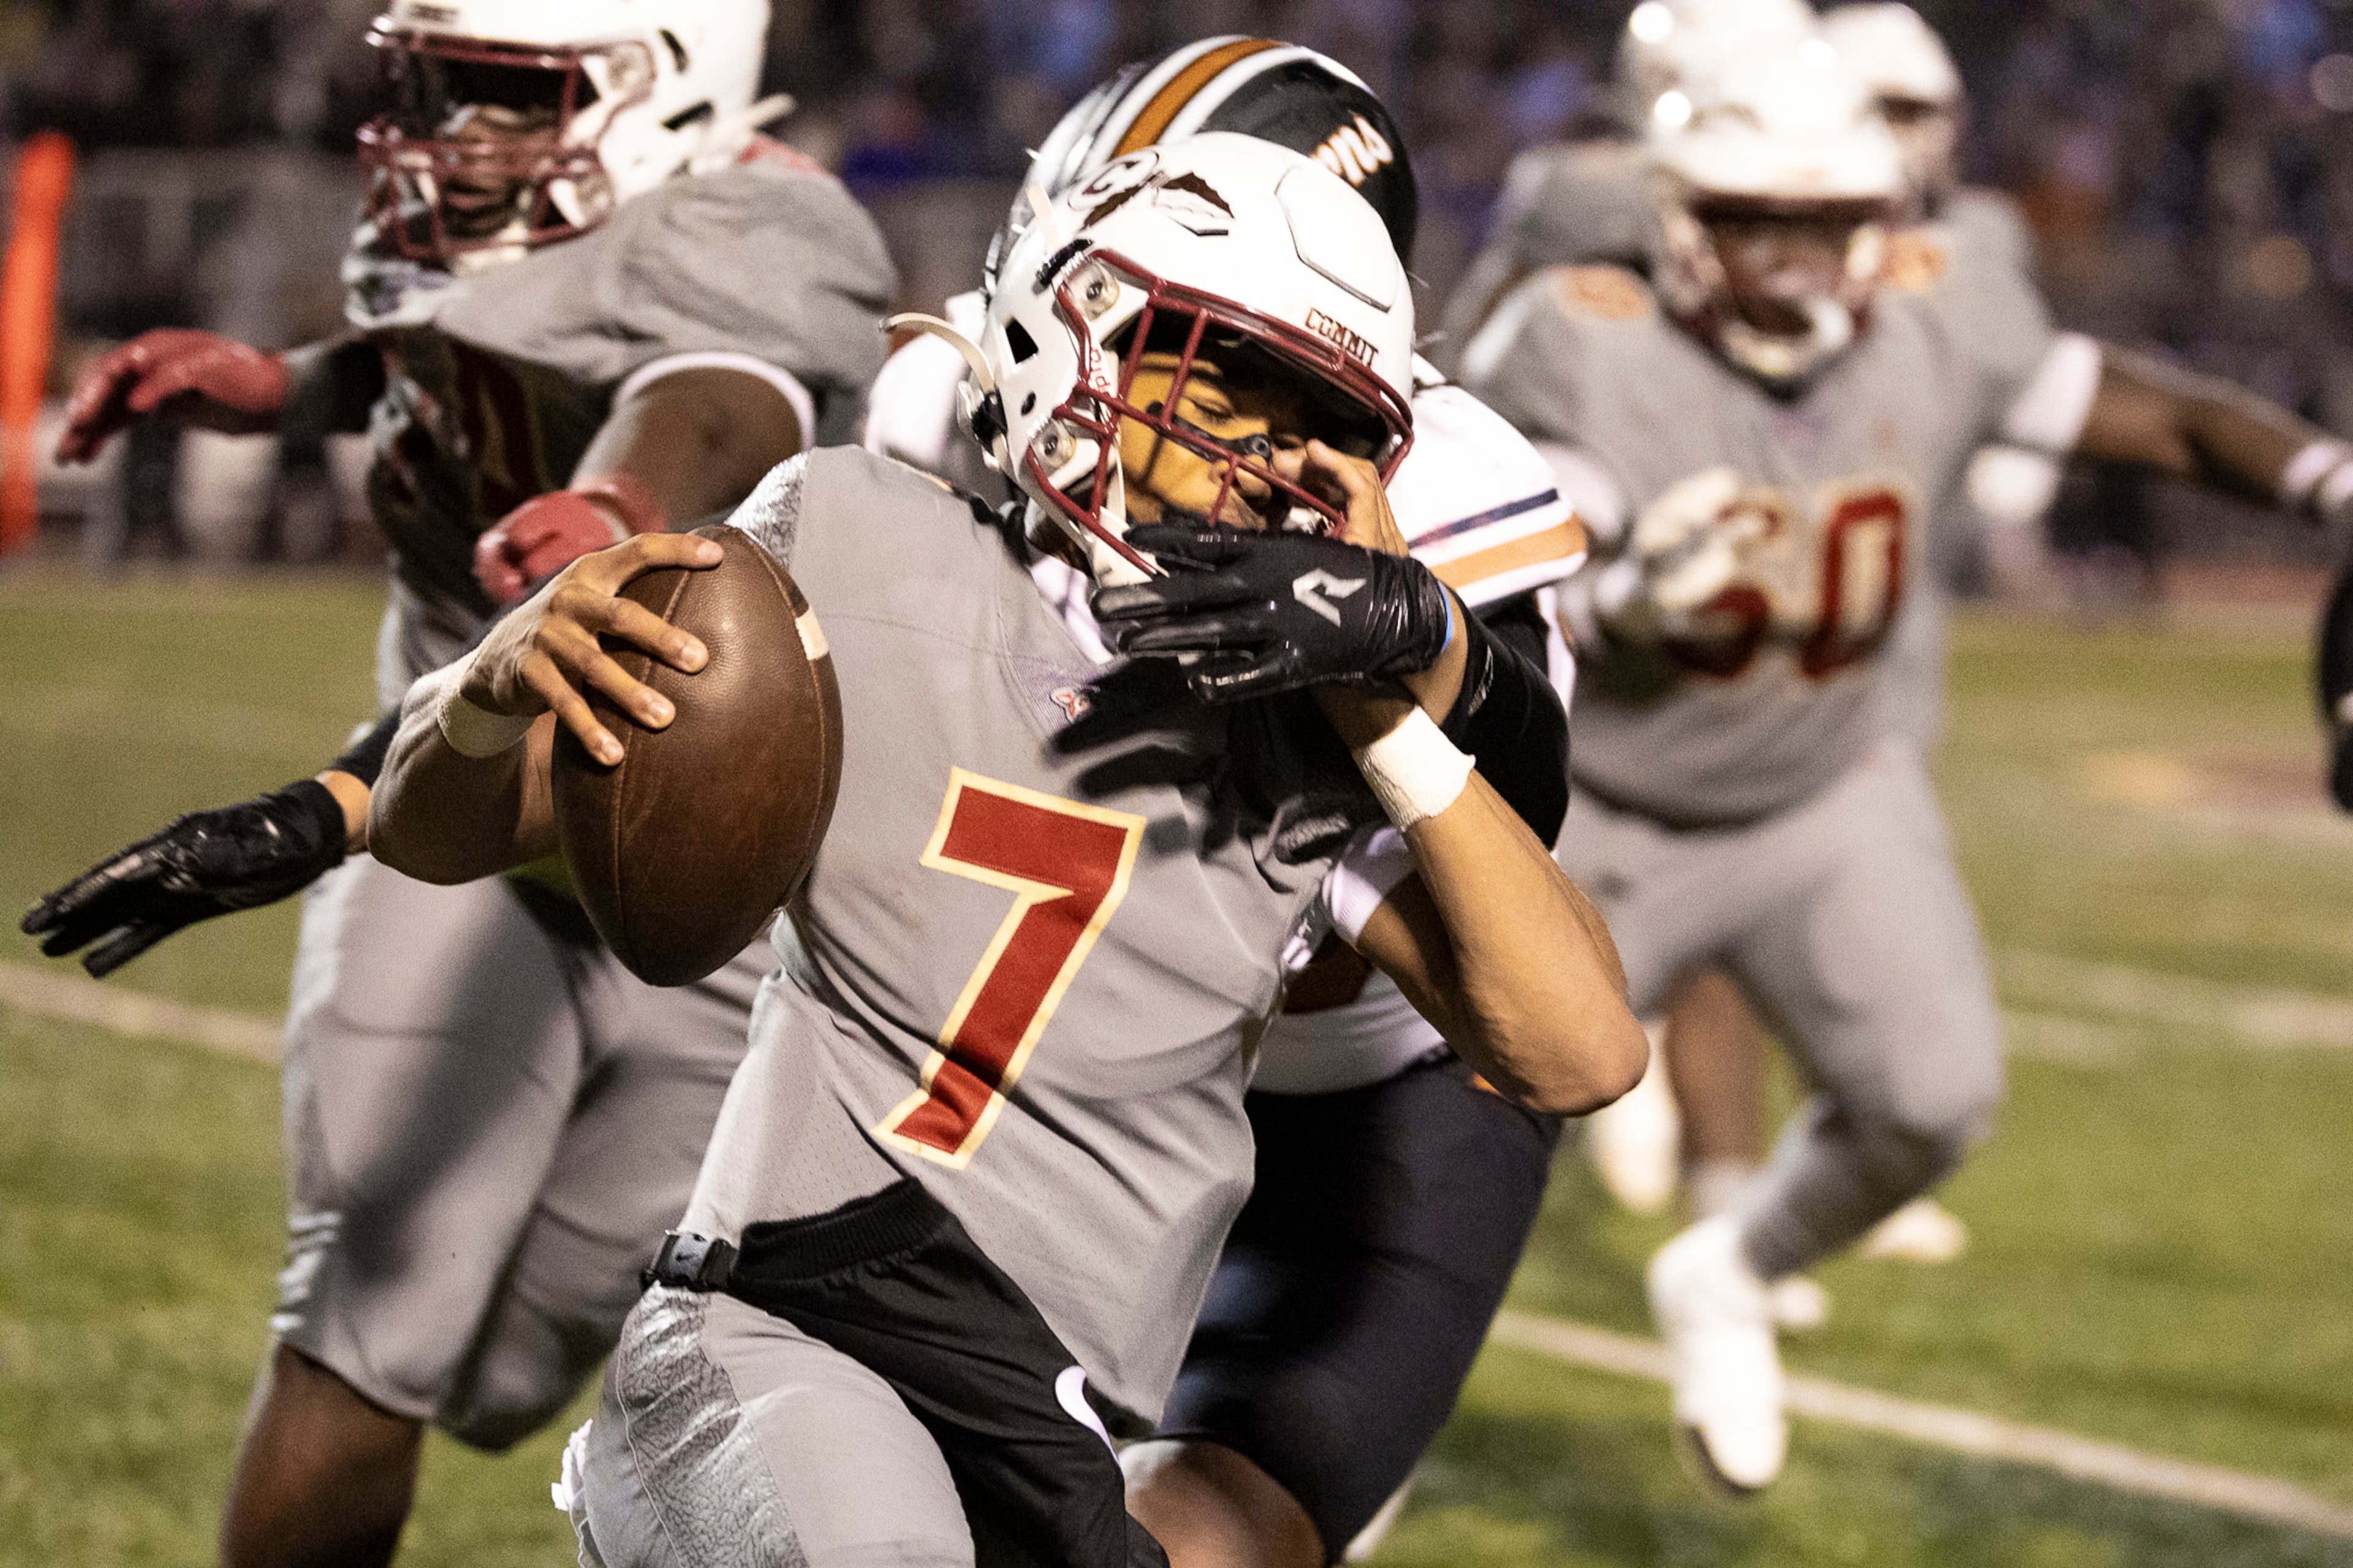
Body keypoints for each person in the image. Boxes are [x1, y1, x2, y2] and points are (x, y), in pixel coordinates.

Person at [368, 132, 1646, 1568]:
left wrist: (1393, 696)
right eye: (1228, 375)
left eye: (1313, 420)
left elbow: (1579, 1050)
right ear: (1081, 321)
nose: (1261, 457)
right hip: (789, 1326)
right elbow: (436, 826)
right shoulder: (848, 532)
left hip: (1055, 1419)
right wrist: (482, 695)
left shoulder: (1298, 740)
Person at [20, 3, 895, 1564]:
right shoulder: (484, 223)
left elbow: (711, 391)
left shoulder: (763, 224)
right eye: (433, 87)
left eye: (505, 95)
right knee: (368, 1318)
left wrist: (621, 506)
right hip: (449, 829)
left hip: (698, 883)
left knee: (516, 1369)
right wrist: (284, 387)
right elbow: (467, 348)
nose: (453, 137)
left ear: (671, 94)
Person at [1461, 37, 2353, 1495]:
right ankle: (1310, 1452)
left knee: (1934, 1097)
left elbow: (2169, 414)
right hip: (1595, 812)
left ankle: (1727, 1268)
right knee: (1442, 1146)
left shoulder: (1937, 320)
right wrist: (1616, 595)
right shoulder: (1585, 327)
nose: (1797, 261)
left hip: (1825, 795)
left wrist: (2332, 481)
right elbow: (1513, 552)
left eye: (1826, 224)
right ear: (1679, 212)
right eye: (1755, 219)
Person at [869, 42, 1592, 1567]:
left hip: (1376, 1091)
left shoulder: (1429, 482)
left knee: (1205, 1537)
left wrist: (1419, 629)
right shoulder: (949, 420)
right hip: (1076, 1048)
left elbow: (1530, 784)